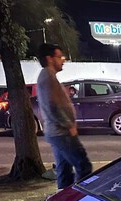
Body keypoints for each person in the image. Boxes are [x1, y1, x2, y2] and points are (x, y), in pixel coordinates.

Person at [37, 43, 92, 189]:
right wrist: (69, 125)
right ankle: (80, 198)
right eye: (60, 56)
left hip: (57, 132)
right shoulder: (47, 77)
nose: (63, 60)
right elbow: (52, 107)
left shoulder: (48, 76)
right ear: (50, 58)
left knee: (64, 171)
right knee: (83, 166)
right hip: (61, 132)